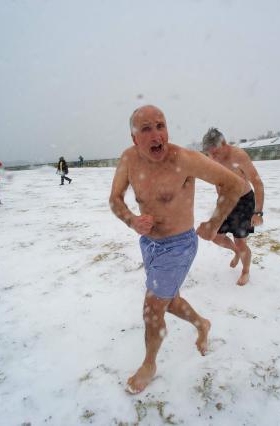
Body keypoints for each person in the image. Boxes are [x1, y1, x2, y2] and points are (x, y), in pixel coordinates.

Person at [109, 105, 242, 395]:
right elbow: (115, 200)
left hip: (179, 245)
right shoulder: (129, 159)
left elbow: (235, 184)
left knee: (152, 307)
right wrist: (132, 220)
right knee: (169, 299)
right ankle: (202, 324)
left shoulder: (184, 159)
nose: (157, 135)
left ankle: (149, 364)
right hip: (150, 245)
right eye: (147, 129)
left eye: (161, 125)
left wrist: (214, 223)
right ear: (134, 138)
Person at [201, 128, 265, 286]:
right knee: (215, 236)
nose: (213, 157)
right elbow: (218, 181)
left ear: (223, 143)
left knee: (240, 242)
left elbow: (257, 183)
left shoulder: (239, 156)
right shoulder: (213, 158)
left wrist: (258, 213)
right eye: (210, 154)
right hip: (225, 201)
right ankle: (236, 252)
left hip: (244, 201)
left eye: (215, 153)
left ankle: (245, 271)